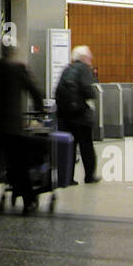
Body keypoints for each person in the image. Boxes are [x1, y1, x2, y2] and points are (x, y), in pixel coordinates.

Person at [0, 46, 45, 214]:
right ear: (12, 53)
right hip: (12, 127)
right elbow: (35, 91)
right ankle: (28, 201)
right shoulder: (18, 69)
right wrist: (40, 110)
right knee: (18, 166)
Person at [55, 44, 100, 184]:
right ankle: (89, 176)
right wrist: (92, 94)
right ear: (84, 57)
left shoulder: (67, 69)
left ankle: (68, 178)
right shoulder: (84, 69)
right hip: (80, 116)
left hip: (64, 116)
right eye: (89, 55)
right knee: (86, 147)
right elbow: (88, 90)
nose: (91, 57)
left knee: (70, 148)